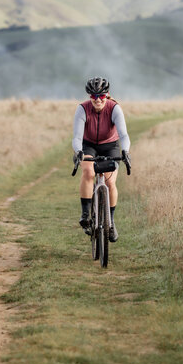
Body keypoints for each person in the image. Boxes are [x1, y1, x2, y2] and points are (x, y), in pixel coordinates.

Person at [72, 77, 131, 242]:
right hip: (88, 145)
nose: (98, 100)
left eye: (102, 96)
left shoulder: (114, 109)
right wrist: (78, 151)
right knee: (88, 172)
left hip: (110, 146)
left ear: (107, 95)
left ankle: (111, 222)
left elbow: (124, 134)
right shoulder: (82, 109)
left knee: (110, 182)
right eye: (94, 96)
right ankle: (85, 215)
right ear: (89, 96)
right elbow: (77, 137)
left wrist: (125, 150)